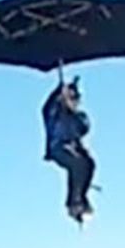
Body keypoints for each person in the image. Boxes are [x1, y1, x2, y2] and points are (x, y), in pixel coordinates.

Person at [41, 74, 95, 223]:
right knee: (76, 164)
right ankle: (75, 202)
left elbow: (83, 127)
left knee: (87, 164)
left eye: (76, 98)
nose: (75, 101)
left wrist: (70, 111)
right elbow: (46, 109)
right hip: (58, 148)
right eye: (72, 97)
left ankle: (79, 198)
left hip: (72, 149)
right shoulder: (54, 112)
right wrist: (58, 92)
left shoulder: (79, 116)